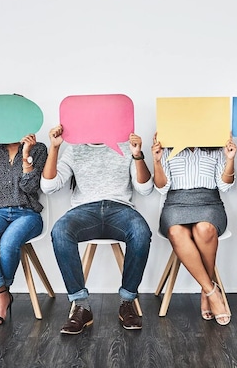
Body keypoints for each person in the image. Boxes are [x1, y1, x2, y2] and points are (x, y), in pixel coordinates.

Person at [41, 124, 153, 334]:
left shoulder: (125, 146)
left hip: (120, 209)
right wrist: (55, 147)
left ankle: (127, 302)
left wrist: (138, 155)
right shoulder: (74, 149)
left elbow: (145, 189)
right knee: (60, 231)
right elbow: (48, 186)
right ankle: (81, 306)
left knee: (141, 232)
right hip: (85, 211)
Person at [151, 134, 236, 325]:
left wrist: (229, 159)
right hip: (175, 203)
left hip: (209, 202)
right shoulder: (167, 149)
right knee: (175, 231)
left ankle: (206, 291)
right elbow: (162, 188)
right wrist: (157, 161)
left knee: (204, 229)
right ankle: (211, 291)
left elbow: (225, 186)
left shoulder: (214, 149)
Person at [0, 133, 47, 326]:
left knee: (9, 242)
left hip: (28, 213)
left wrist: (26, 155)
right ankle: (2, 293)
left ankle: (1, 296)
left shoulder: (38, 149)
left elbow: (30, 186)